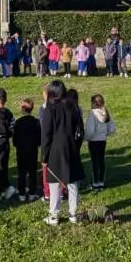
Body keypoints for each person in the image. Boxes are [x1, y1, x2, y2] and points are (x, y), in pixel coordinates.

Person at [41, 80, 85, 225]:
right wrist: (76, 147)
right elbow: (80, 131)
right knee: (72, 182)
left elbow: (46, 135)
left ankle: (54, 215)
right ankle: (73, 213)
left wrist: (44, 156)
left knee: (54, 184)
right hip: (71, 147)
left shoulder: (50, 109)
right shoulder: (73, 107)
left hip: (55, 149)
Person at [85, 94, 116, 191]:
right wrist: (105, 134)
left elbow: (90, 129)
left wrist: (87, 138)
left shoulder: (93, 114)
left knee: (94, 162)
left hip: (93, 141)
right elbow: (112, 127)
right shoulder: (106, 113)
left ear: (94, 103)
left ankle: (95, 183)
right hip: (102, 140)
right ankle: (101, 182)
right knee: (101, 160)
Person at [12, 98, 41, 201]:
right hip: (33, 150)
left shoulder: (18, 123)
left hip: (21, 151)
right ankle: (32, 193)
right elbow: (39, 137)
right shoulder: (36, 122)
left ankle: (22, 194)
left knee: (21, 172)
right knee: (33, 172)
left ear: (23, 109)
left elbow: (14, 138)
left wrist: (16, 145)